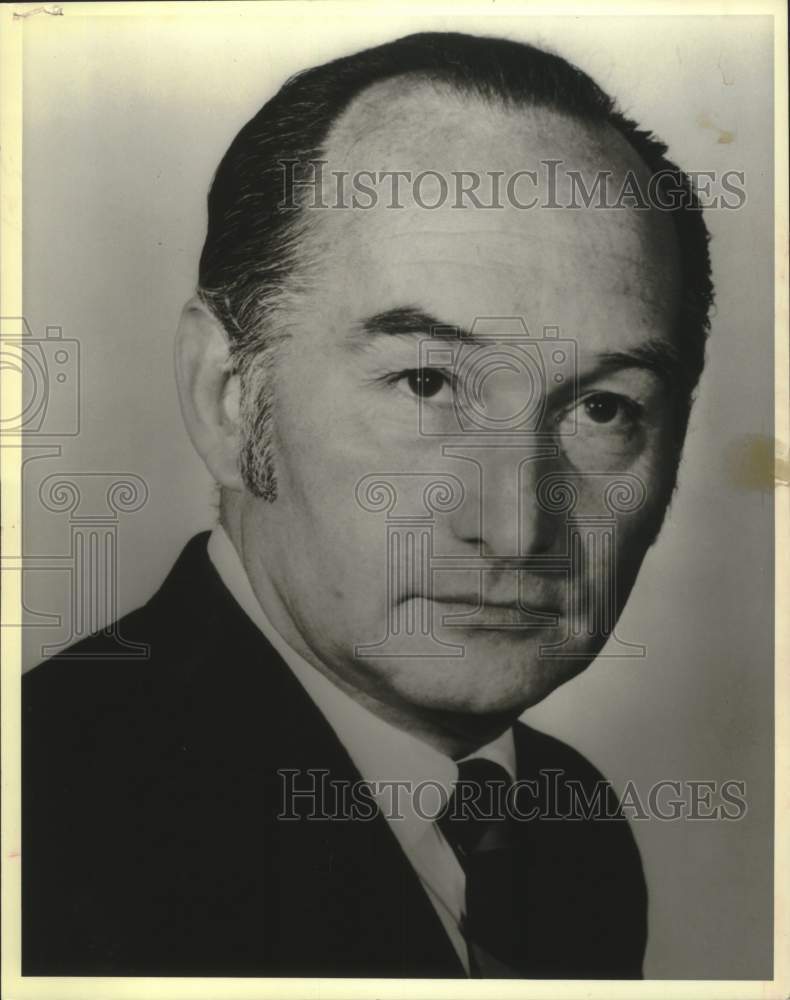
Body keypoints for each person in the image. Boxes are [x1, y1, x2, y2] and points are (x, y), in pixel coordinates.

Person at [22, 31, 713, 979]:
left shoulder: (567, 823)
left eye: (604, 407)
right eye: (428, 382)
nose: (517, 529)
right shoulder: (43, 815)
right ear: (230, 396)